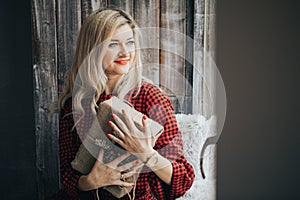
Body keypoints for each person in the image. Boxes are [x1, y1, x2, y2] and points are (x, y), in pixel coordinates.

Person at [52, 8, 195, 200]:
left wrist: (145, 153)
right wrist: (91, 181)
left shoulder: (151, 97)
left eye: (129, 42)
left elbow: (183, 179)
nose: (125, 52)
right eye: (113, 44)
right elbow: (68, 178)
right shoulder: (74, 105)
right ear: (92, 49)